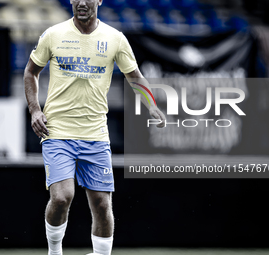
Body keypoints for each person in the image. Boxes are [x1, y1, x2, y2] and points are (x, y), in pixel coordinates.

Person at [24, 0, 166, 254]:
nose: (81, 2)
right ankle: (54, 251)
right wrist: (35, 109)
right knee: (61, 197)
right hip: (57, 131)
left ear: (99, 0)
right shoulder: (53, 34)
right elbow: (30, 72)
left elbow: (134, 77)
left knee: (102, 205)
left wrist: (151, 105)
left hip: (96, 135)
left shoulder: (115, 39)